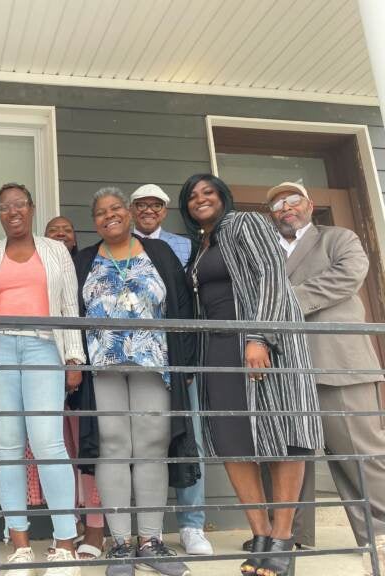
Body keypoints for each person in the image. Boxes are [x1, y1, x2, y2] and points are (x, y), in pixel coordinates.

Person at [179, 173, 324, 576]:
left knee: (282, 433)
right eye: (192, 196)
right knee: (233, 439)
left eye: (208, 192)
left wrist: (259, 336)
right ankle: (260, 536)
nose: (200, 199)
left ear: (224, 196)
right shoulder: (203, 244)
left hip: (262, 340)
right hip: (220, 348)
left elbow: (271, 274)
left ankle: (282, 538)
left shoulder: (246, 223)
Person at [0, 182, 86, 576]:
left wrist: (73, 356)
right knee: (8, 445)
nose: (13, 212)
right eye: (4, 207)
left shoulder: (55, 251)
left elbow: (68, 305)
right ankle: (20, 545)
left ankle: (64, 544)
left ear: (31, 208)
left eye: (20, 205)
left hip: (43, 347)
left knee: (48, 442)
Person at [73, 187, 196, 576]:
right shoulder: (84, 260)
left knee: (151, 444)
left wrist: (186, 363)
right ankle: (120, 544)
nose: (108, 216)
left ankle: (151, 541)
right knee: (112, 444)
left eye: (115, 209)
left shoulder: (159, 254)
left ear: (127, 213)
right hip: (103, 365)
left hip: (152, 361)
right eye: (100, 212)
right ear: (94, 221)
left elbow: (182, 307)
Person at [267, 181, 385, 575]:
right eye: (278, 203)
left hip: (338, 362)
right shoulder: (266, 249)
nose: (285, 207)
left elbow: (349, 276)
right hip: (286, 368)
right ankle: (291, 536)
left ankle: (380, 536)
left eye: (292, 199)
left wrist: (286, 303)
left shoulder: (338, 238)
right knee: (291, 455)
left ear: (309, 205)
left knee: (360, 454)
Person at [128, 184, 212, 557]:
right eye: (141, 205)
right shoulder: (118, 244)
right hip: (137, 358)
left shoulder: (184, 246)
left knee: (187, 437)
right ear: (131, 210)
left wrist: (190, 356)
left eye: (155, 205)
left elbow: (190, 306)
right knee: (146, 441)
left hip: (177, 354)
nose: (148, 210)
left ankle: (192, 524)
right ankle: (152, 528)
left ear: (164, 211)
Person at [43, 215, 106, 561]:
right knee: (59, 453)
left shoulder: (88, 265)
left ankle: (96, 527)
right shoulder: (39, 269)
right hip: (44, 368)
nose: (62, 234)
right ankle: (66, 529)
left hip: (86, 370)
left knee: (87, 450)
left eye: (68, 229)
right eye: (54, 231)